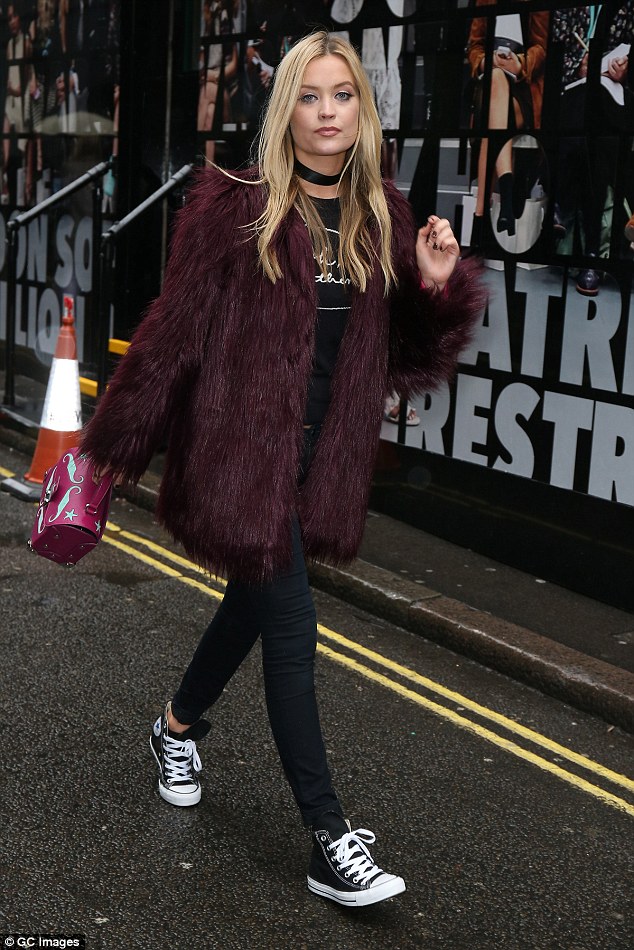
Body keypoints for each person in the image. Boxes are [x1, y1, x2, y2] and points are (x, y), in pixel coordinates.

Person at [80, 30, 484, 908]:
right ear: (285, 110)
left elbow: (406, 364)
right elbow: (171, 338)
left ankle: (175, 727)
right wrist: (107, 454)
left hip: (317, 465)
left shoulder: (385, 215)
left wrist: (433, 285)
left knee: (251, 608)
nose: (327, 112)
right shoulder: (236, 208)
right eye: (309, 95)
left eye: (342, 95)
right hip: (239, 462)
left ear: (362, 109)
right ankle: (328, 838)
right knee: (293, 629)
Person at [466, 0, 548, 244]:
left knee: (490, 129)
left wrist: (519, 62)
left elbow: (542, 47)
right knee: (495, 79)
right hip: (488, 85)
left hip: (522, 88)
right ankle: (506, 197)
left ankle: (480, 218)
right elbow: (474, 46)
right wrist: (486, 60)